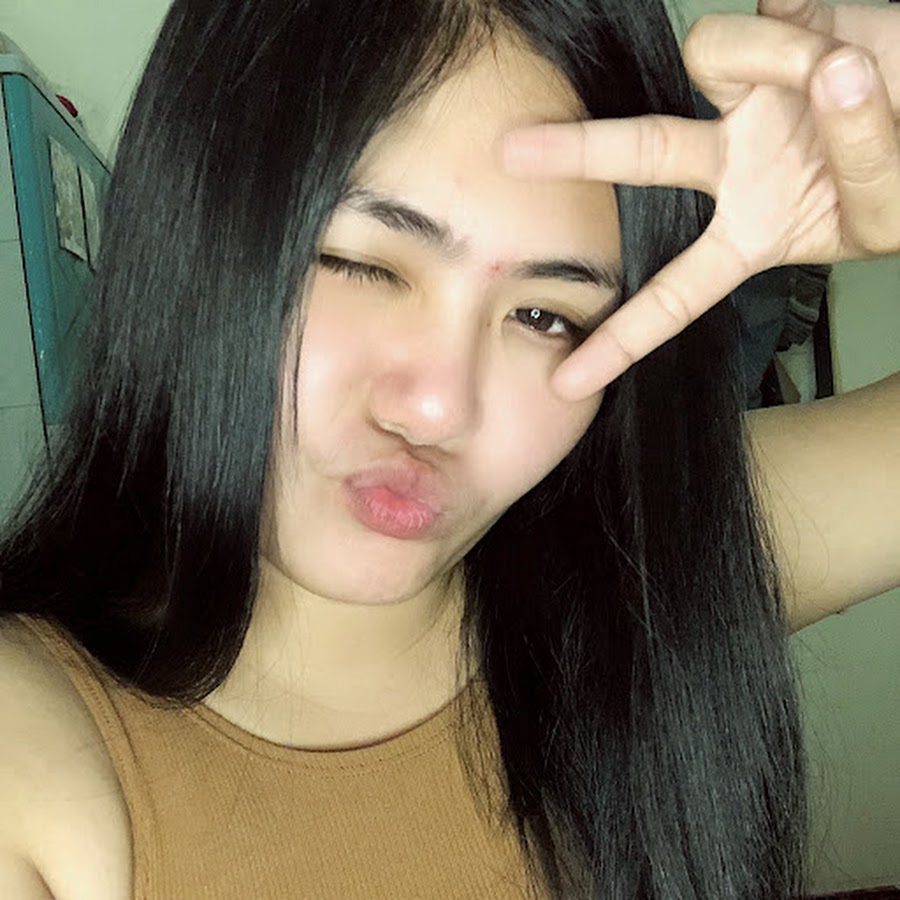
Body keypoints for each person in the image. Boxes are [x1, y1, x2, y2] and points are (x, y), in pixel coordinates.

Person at [0, 1, 896, 898]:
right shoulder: (34, 764)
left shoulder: (651, 562)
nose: (437, 410)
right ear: (194, 231)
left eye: (545, 315)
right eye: (362, 263)